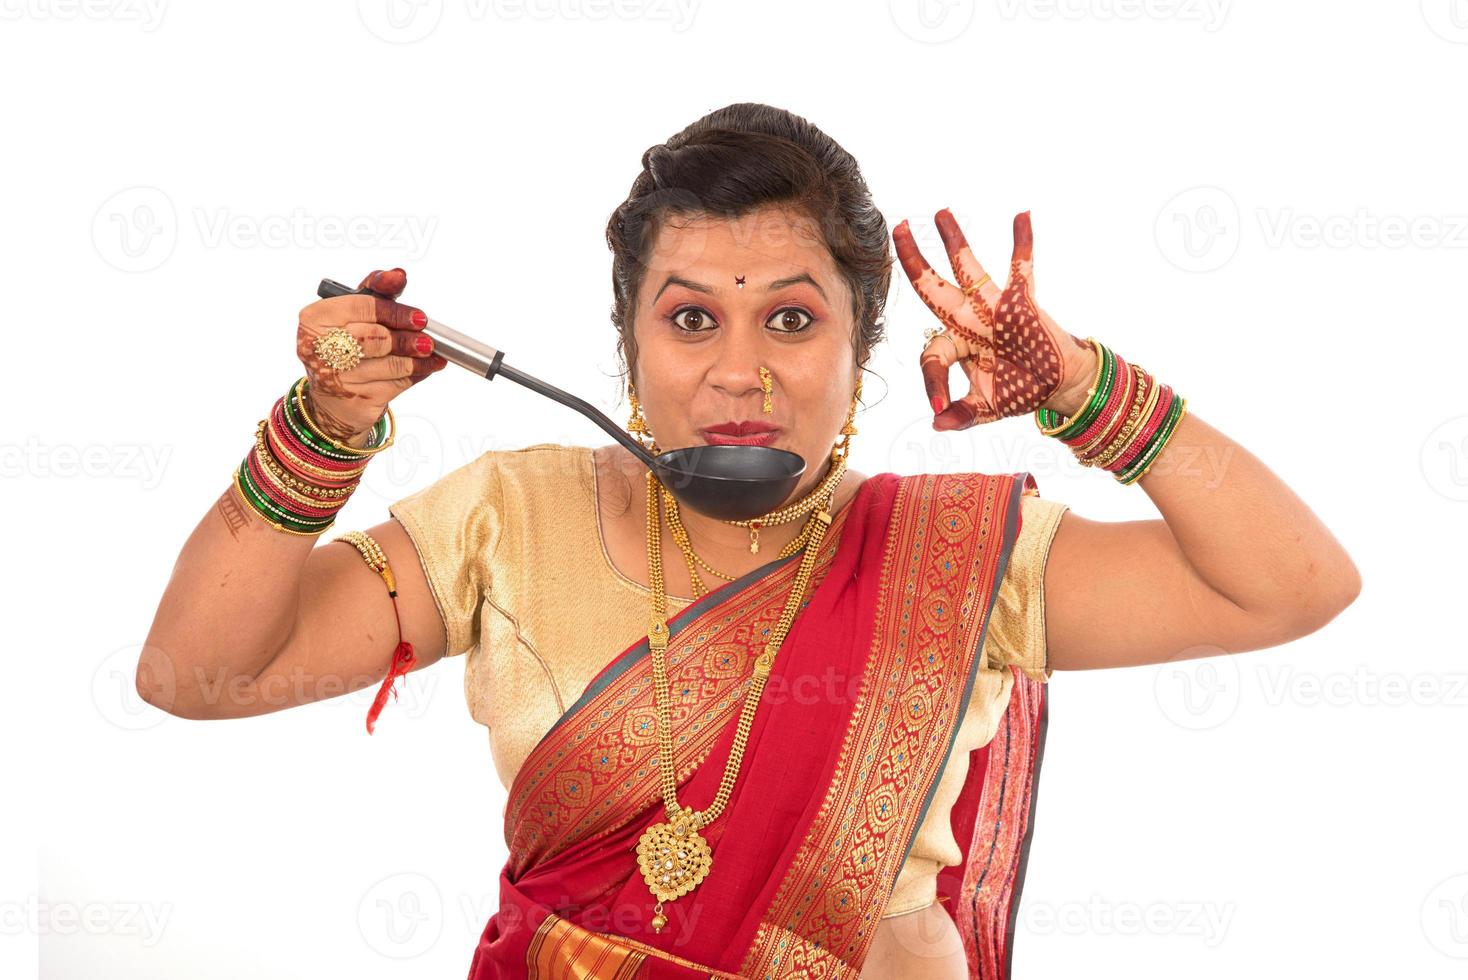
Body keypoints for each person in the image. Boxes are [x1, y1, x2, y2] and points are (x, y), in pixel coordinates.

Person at [138, 103, 1361, 979]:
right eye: (688, 319)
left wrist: (1085, 392)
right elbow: (200, 673)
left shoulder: (962, 561)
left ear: (858, 351)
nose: (739, 370)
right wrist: (321, 430)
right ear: (628, 347)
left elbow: (1292, 585)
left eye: (790, 317)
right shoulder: (509, 518)